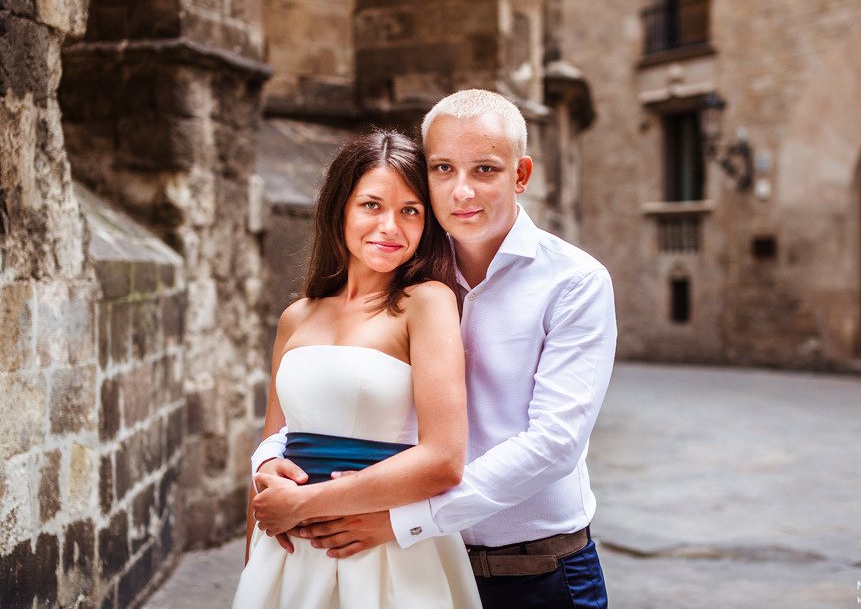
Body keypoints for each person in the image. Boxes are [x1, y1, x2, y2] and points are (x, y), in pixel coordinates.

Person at [252, 90, 617, 608]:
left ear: (521, 175)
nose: (462, 190)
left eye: (485, 170)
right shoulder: (403, 264)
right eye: (443, 168)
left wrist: (404, 521)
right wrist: (266, 461)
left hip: (535, 567)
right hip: (412, 563)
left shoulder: (574, 282)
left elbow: (554, 443)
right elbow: (325, 387)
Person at [233, 130, 482, 608]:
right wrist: (253, 566)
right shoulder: (297, 316)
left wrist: (304, 504)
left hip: (381, 548)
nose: (390, 226)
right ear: (340, 209)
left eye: (410, 210)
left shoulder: (426, 303)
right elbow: (267, 455)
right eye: (371, 205)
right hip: (287, 552)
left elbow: (444, 460)